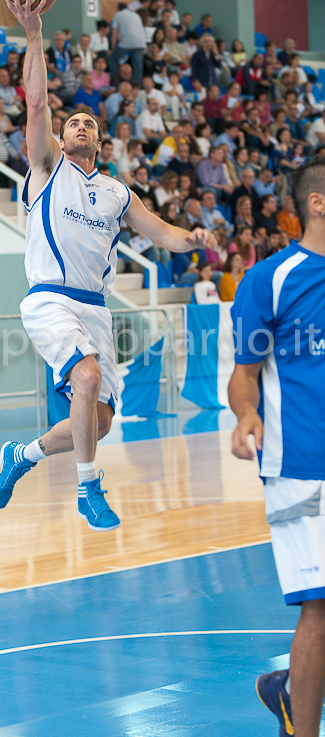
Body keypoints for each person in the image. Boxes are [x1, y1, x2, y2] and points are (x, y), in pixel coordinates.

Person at [0, 0, 215, 531]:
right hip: (48, 297)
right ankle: (88, 489)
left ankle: (22, 455)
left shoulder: (117, 191)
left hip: (96, 307)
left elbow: (161, 232)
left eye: (89, 123)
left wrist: (194, 237)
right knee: (86, 377)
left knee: (101, 420)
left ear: (100, 140)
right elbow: (38, 103)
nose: (80, 125)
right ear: (61, 138)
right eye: (73, 122)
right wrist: (35, 33)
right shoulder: (47, 169)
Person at [228, 155, 325, 737]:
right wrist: (245, 416)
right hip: (300, 464)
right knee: (320, 607)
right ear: (318, 202)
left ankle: (290, 689)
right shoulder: (271, 279)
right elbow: (244, 373)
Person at [109, 3, 146, 85]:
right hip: (140, 43)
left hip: (127, 42)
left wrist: (113, 48)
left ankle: (117, 80)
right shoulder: (136, 15)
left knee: (112, 59)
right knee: (137, 68)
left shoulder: (118, 15)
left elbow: (114, 33)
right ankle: (137, 88)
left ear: (119, 9)